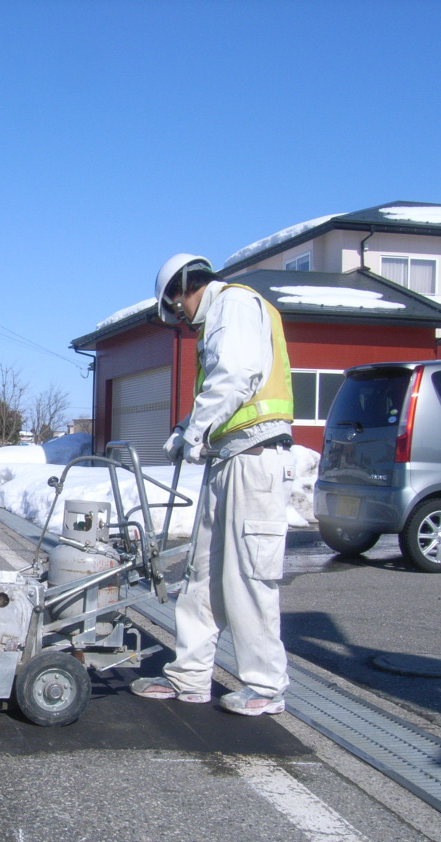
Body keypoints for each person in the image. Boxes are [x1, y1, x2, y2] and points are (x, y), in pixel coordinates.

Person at [131, 255, 295, 716]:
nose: (181, 318)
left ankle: (265, 686)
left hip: (257, 459)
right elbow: (218, 390)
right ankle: (190, 676)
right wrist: (187, 428)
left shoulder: (235, 305)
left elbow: (236, 377)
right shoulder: (218, 320)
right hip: (229, 459)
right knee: (201, 573)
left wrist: (196, 430)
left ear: (184, 287)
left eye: (177, 307)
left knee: (247, 575)